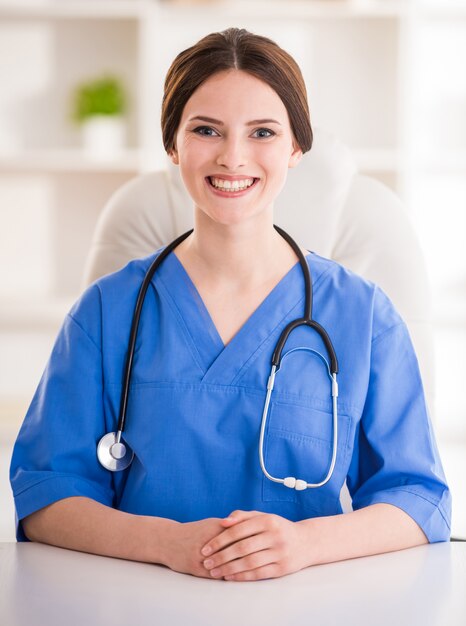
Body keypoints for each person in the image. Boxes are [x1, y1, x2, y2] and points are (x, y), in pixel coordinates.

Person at [10, 27, 451, 582]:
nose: (233, 156)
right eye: (206, 130)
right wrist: (168, 544)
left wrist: (304, 544)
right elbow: (47, 493)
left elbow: (418, 499)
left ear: (295, 148)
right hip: (137, 605)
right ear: (173, 144)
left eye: (262, 131)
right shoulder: (107, 311)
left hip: (308, 608)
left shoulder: (363, 317)